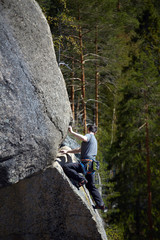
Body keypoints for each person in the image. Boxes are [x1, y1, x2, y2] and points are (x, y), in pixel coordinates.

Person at [61, 125, 107, 212]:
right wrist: (68, 151)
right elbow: (79, 150)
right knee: (91, 186)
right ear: (95, 132)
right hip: (91, 166)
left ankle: (81, 179)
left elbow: (84, 138)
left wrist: (72, 132)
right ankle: (101, 204)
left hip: (86, 163)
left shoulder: (89, 136)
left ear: (88, 129)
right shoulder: (94, 141)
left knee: (66, 167)